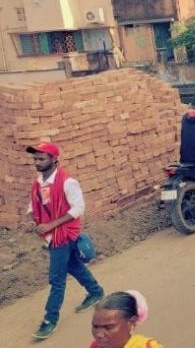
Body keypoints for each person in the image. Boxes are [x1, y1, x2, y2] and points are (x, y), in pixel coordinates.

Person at [27, 142, 104, 340]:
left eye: (41, 158)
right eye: (35, 159)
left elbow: (78, 208)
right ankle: (95, 291)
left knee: (56, 279)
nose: (37, 162)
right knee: (73, 265)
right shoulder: (38, 183)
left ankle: (50, 319)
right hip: (50, 234)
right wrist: (35, 221)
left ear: (54, 159)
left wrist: (51, 225)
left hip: (63, 234)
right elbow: (33, 206)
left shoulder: (67, 182)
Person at [90, 291, 162, 348]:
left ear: (131, 322)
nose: (99, 334)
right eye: (95, 327)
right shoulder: (95, 346)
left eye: (108, 327)